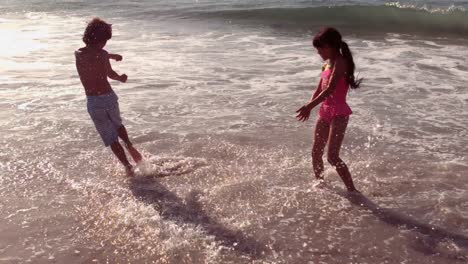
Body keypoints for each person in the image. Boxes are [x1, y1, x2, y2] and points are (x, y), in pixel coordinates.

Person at [296, 27, 362, 192]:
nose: (318, 52)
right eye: (317, 49)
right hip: (325, 111)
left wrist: (309, 106)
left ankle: (353, 191)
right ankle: (321, 184)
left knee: (332, 156)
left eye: (321, 48)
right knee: (316, 152)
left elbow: (330, 89)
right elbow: (319, 88)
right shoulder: (327, 64)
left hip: (339, 112)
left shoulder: (340, 62)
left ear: (332, 46)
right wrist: (310, 106)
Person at [75, 17, 142, 176]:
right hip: (109, 97)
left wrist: (110, 55)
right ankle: (129, 145)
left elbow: (93, 53)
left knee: (110, 137)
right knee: (118, 125)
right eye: (105, 41)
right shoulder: (103, 54)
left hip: (94, 102)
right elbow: (110, 74)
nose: (105, 45)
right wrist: (121, 78)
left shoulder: (78, 54)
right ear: (101, 40)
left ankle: (127, 166)